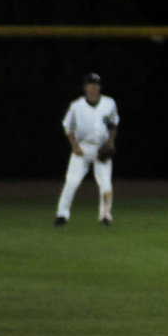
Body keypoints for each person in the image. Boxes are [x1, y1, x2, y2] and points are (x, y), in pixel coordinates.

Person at [54, 72, 119, 226]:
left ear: (99, 87)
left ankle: (105, 215)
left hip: (101, 148)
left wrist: (110, 142)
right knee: (71, 181)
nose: (93, 87)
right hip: (82, 147)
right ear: (85, 87)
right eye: (90, 84)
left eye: (96, 84)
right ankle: (62, 214)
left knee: (105, 184)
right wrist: (75, 146)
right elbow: (67, 127)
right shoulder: (76, 106)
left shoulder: (109, 103)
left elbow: (113, 124)